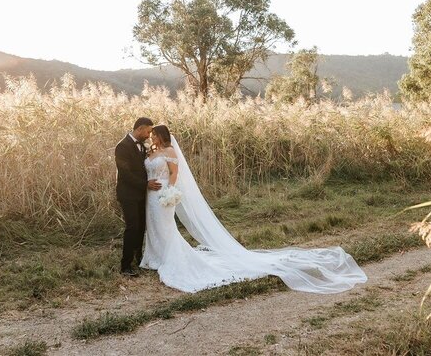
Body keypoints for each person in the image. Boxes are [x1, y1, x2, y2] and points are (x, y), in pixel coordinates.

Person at [140, 124, 368, 294]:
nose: (152, 138)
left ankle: (167, 259)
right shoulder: (151, 152)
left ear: (161, 136)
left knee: (166, 227)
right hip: (150, 196)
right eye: (150, 136)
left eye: (154, 135)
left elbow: (174, 174)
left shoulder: (170, 152)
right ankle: (153, 256)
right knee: (154, 227)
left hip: (163, 195)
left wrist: (168, 192)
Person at [114, 117, 161, 276]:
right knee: (132, 227)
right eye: (148, 131)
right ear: (140, 129)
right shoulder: (122, 146)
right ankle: (125, 265)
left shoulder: (143, 146)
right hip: (128, 194)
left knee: (141, 227)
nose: (149, 135)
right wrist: (146, 184)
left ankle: (138, 257)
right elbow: (125, 174)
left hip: (142, 194)